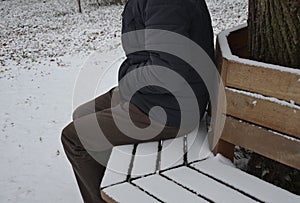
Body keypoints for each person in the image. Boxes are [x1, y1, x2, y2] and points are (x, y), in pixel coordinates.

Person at [61, 0, 214, 202]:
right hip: (156, 95)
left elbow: (167, 73)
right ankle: (115, 186)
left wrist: (127, 78)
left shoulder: (164, 4)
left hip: (171, 109)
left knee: (74, 138)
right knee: (81, 115)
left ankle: (108, 196)